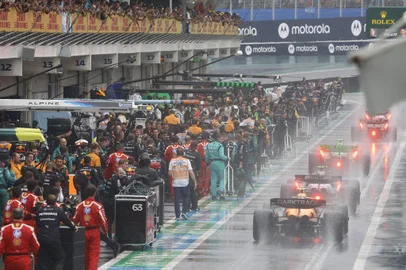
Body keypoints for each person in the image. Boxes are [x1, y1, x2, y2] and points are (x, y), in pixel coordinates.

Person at [73, 185, 114, 270]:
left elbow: (75, 220)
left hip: (83, 231)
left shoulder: (79, 206)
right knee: (94, 255)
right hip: (94, 231)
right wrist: (106, 231)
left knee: (86, 255)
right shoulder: (98, 206)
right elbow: (103, 220)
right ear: (95, 193)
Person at [36, 194, 77, 270]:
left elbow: (38, 224)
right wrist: (74, 227)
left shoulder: (39, 211)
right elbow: (67, 221)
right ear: (55, 202)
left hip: (42, 238)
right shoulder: (59, 210)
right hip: (54, 238)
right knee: (60, 258)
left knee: (43, 261)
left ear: (46, 201)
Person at [168, 148, 196, 220]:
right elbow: (191, 172)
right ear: (183, 153)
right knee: (186, 197)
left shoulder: (172, 161)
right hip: (185, 182)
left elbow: (169, 173)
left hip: (176, 182)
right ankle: (184, 212)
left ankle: (177, 216)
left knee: (176, 199)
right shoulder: (187, 161)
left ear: (176, 153)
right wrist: (195, 181)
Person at [205, 132, 228, 200]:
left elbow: (207, 156)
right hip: (220, 163)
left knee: (213, 179)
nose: (222, 139)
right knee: (223, 178)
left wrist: (207, 161)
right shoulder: (220, 145)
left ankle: (213, 194)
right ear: (218, 138)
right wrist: (227, 158)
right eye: (221, 138)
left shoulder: (209, 145)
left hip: (212, 163)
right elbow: (221, 155)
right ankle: (220, 190)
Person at [184, 141, 200, 211]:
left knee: (186, 189)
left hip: (185, 172)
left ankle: (186, 206)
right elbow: (198, 166)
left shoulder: (186, 153)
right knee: (193, 189)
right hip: (193, 172)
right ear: (196, 147)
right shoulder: (197, 154)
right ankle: (194, 206)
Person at [0, 160, 17, 226]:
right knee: (4, 211)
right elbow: (11, 180)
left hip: (4, 190)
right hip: (4, 190)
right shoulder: (7, 170)